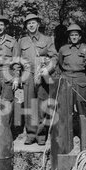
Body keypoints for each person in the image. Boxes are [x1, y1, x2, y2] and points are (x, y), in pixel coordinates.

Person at [14, 13, 58, 145]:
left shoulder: (47, 39)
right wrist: (16, 77)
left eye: (33, 23)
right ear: (26, 26)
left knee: (41, 105)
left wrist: (48, 69)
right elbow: (17, 61)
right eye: (28, 23)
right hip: (27, 75)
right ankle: (31, 134)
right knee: (29, 105)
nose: (31, 25)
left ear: (38, 24)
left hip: (41, 74)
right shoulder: (22, 41)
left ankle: (41, 135)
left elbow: (54, 57)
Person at [57, 23, 86, 148]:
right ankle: (66, 136)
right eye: (72, 35)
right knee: (66, 108)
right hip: (67, 77)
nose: (74, 37)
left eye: (76, 35)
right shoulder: (63, 49)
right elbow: (60, 63)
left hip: (81, 78)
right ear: (69, 37)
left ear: (80, 36)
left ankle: (83, 135)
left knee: (81, 107)